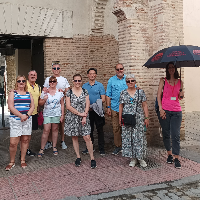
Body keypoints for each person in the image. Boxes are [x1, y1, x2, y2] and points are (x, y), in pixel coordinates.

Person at [64, 74, 96, 169]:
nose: (77, 82)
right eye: (75, 81)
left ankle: (92, 158)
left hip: (84, 117)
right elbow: (68, 106)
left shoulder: (85, 91)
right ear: (73, 81)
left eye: (79, 81)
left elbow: (87, 103)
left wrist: (84, 115)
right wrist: (79, 114)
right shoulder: (68, 92)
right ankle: (78, 156)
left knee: (87, 137)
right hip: (72, 117)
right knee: (75, 137)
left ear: (81, 81)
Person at [106, 63, 137, 155]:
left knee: (127, 127)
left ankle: (127, 146)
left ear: (123, 69)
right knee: (116, 128)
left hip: (127, 109)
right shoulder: (111, 80)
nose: (120, 71)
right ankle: (118, 146)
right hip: (115, 107)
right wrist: (108, 107)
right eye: (118, 69)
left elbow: (134, 91)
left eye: (121, 69)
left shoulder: (128, 79)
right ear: (115, 70)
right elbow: (108, 94)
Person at [157, 62, 184, 169]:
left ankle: (176, 157)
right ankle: (169, 154)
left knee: (176, 135)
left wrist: (182, 94)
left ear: (175, 69)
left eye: (173, 67)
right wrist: (161, 109)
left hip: (177, 111)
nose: (171, 69)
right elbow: (159, 96)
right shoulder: (163, 80)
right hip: (165, 111)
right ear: (167, 69)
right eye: (169, 67)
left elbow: (180, 97)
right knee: (166, 133)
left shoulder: (180, 82)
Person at [119, 74, 149, 167]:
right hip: (127, 118)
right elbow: (121, 105)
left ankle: (140, 158)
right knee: (129, 138)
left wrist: (146, 118)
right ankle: (133, 158)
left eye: (132, 81)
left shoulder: (141, 92)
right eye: (128, 81)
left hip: (139, 118)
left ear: (135, 82)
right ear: (126, 82)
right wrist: (120, 118)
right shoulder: (123, 93)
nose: (130, 83)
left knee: (139, 137)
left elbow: (144, 105)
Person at [6, 75, 34, 170]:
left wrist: (26, 115)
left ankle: (22, 160)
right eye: (19, 81)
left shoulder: (28, 93)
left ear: (25, 82)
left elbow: (32, 106)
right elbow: (11, 106)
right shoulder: (13, 93)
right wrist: (21, 116)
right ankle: (12, 161)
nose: (21, 82)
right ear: (16, 82)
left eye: (23, 81)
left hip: (26, 120)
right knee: (13, 143)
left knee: (25, 140)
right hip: (15, 120)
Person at [43, 61, 70, 150]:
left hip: (60, 104)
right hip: (50, 105)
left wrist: (63, 92)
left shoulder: (63, 79)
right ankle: (50, 142)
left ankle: (62, 141)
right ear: (52, 70)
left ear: (60, 69)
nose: (56, 70)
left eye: (58, 68)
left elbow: (68, 91)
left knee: (61, 123)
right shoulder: (48, 79)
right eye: (54, 68)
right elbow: (44, 89)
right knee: (51, 125)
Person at [38, 76, 64, 157]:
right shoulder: (45, 92)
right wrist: (44, 99)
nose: (52, 83)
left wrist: (62, 115)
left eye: (54, 81)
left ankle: (54, 147)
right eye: (51, 81)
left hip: (56, 113)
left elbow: (62, 104)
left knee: (55, 129)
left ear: (56, 83)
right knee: (46, 130)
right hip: (47, 114)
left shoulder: (60, 93)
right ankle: (42, 148)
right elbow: (40, 103)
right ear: (49, 83)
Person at [82, 68, 106, 156]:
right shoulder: (84, 86)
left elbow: (103, 99)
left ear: (96, 75)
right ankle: (90, 147)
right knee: (89, 130)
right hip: (88, 111)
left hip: (98, 110)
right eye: (90, 74)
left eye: (94, 73)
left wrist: (95, 105)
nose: (92, 75)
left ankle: (101, 148)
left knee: (100, 130)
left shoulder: (100, 85)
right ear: (88, 75)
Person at [26, 70, 41, 156]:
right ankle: (23, 151)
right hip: (25, 113)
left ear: (36, 77)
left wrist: (38, 110)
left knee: (29, 133)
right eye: (31, 75)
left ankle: (27, 149)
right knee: (24, 134)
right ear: (28, 76)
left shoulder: (38, 87)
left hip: (34, 113)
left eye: (34, 75)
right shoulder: (24, 85)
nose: (33, 76)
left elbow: (38, 100)